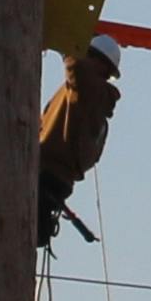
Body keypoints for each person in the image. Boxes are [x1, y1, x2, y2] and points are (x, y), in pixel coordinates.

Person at [37, 37, 123, 239]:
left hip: (46, 174)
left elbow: (75, 65)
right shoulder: (94, 104)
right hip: (56, 180)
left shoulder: (89, 91)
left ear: (98, 63)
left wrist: (67, 38)